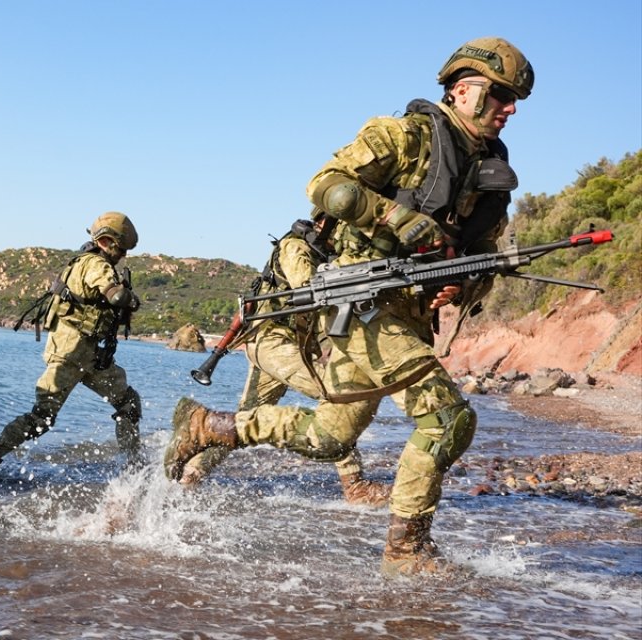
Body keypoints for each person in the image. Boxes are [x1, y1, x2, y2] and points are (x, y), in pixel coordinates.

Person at [164, 37, 531, 577]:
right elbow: (327, 187)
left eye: (515, 99)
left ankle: (207, 426)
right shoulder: (402, 137)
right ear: (460, 88)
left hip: (406, 318)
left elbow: (480, 258)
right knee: (447, 418)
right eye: (499, 94)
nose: (510, 108)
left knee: (327, 437)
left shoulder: (491, 177)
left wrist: (462, 286)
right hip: (358, 302)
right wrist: (399, 220)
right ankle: (405, 552)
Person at [177, 214, 391, 508]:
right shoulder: (296, 248)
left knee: (242, 421)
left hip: (283, 344)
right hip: (272, 342)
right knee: (340, 393)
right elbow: (311, 288)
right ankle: (355, 486)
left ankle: (189, 474)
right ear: (323, 222)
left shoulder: (325, 253)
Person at [0, 212, 143, 470]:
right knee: (42, 418)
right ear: (105, 241)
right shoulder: (95, 265)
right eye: (120, 248)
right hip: (70, 353)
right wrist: (129, 298)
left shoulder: (85, 263)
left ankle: (134, 467)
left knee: (129, 403)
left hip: (89, 355)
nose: (122, 255)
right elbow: (114, 296)